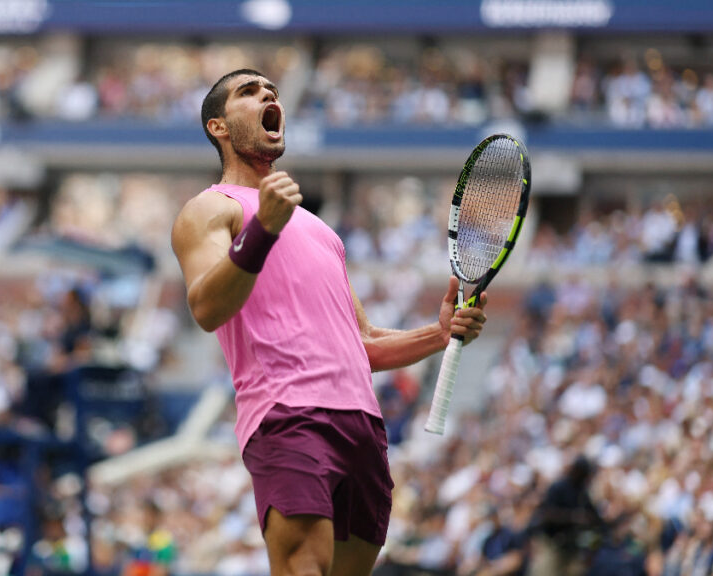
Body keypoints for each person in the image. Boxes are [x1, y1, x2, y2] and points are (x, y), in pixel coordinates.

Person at [170, 68, 489, 576]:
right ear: (219, 128)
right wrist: (260, 232)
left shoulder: (320, 230)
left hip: (363, 426)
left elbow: (361, 343)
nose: (267, 94)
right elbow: (207, 308)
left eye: (270, 89)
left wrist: (438, 333)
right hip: (289, 415)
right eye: (248, 92)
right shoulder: (210, 209)